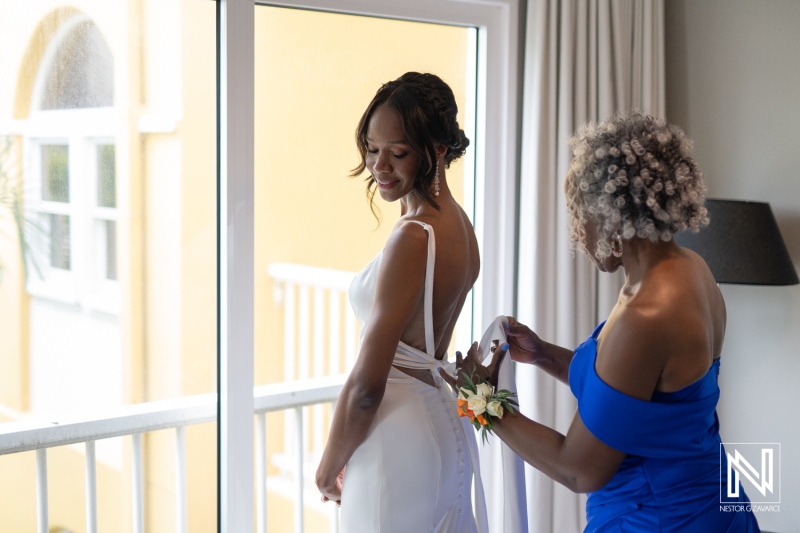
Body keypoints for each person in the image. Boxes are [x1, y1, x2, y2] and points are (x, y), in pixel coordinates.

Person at [443, 112, 760, 532]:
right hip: (712, 502)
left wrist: (481, 402)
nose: (577, 234)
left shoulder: (645, 315)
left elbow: (579, 470)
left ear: (611, 212)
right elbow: (637, 393)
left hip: (656, 518)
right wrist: (544, 356)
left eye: (579, 215)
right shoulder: (691, 270)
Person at [316, 72, 488, 532]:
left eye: (398, 152)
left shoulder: (413, 237)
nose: (379, 167)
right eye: (372, 150)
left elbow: (367, 386)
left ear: (435, 149)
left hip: (395, 434)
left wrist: (329, 463)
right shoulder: (460, 226)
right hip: (438, 424)